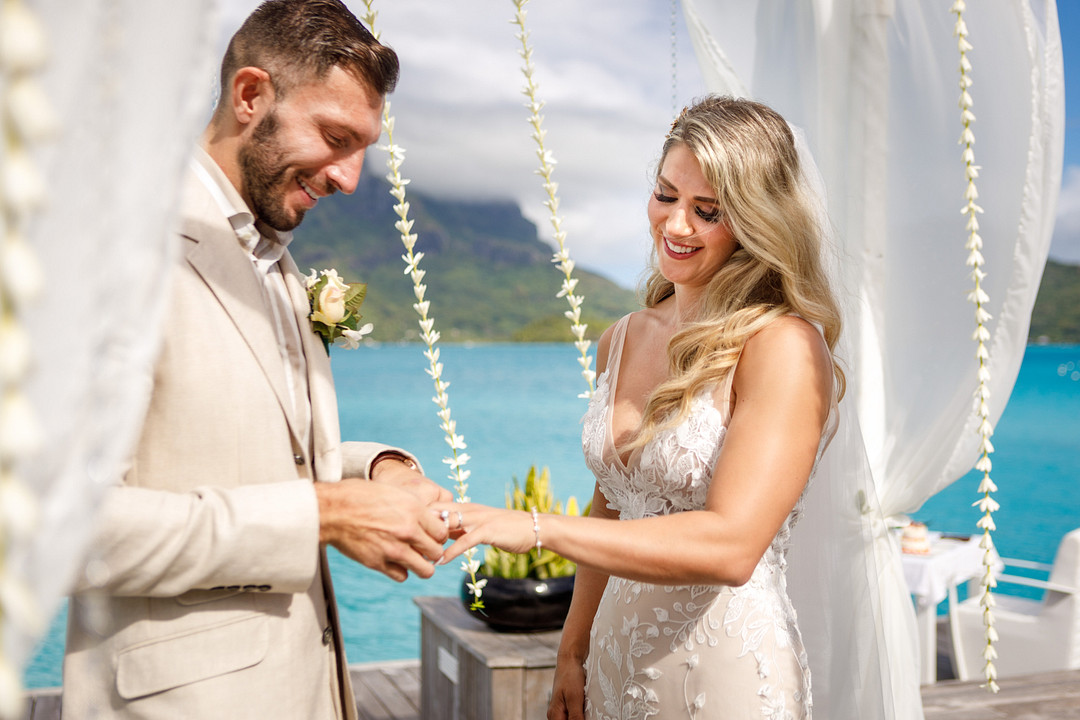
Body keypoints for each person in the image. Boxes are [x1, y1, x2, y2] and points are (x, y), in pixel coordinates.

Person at [62, 2, 451, 718]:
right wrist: (324, 514)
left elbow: (234, 449)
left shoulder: (278, 263)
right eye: (335, 137)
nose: (351, 178)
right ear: (250, 96)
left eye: (364, 148)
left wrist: (375, 472)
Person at [437, 96, 845, 719]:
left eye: (707, 210)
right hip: (613, 666)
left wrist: (538, 527)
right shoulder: (622, 338)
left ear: (757, 219)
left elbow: (732, 547)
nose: (675, 225)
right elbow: (613, 502)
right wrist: (572, 651)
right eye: (665, 195)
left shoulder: (780, 346)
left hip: (722, 675)